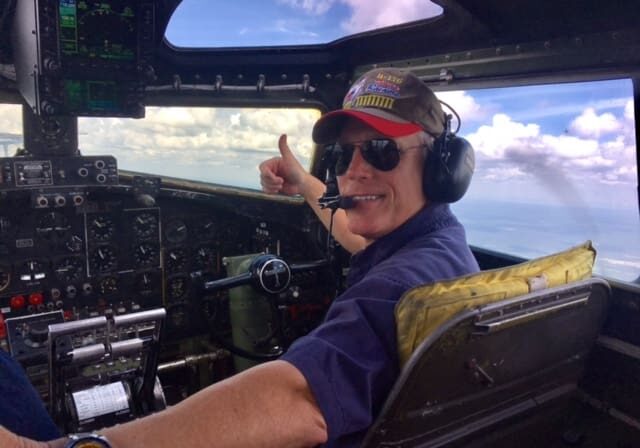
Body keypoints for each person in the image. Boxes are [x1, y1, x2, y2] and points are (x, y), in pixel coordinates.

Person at [0, 67, 479, 448]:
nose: (353, 173)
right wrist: (304, 181)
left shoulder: (402, 288)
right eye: (341, 156)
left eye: (379, 151)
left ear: (443, 167)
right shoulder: (438, 249)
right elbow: (356, 235)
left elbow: (303, 403)